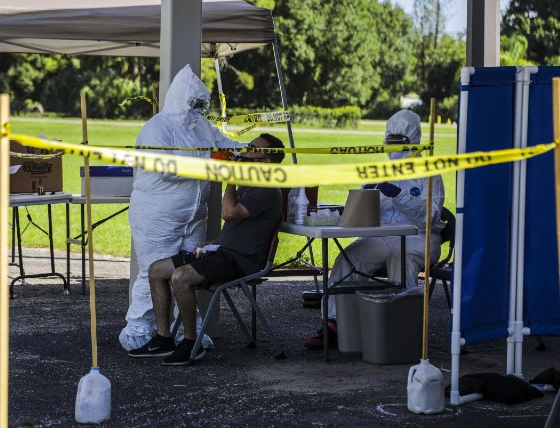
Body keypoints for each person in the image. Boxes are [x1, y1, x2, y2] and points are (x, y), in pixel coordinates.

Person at [119, 64, 248, 352]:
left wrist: (249, 150)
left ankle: (188, 334)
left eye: (202, 105)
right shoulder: (157, 128)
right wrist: (211, 163)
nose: (198, 110)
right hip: (156, 215)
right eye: (194, 104)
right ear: (179, 99)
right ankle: (141, 331)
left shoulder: (201, 126)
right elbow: (165, 169)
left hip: (193, 215)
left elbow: (223, 144)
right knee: (153, 272)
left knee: (185, 273)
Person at [128, 133, 285, 365]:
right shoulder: (250, 186)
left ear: (267, 162)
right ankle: (164, 338)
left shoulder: (267, 189)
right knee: (156, 270)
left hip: (242, 261)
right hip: (223, 253)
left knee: (181, 277)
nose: (246, 151)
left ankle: (192, 342)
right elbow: (237, 230)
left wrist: (231, 177)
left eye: (253, 149)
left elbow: (228, 213)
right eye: (248, 146)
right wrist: (211, 243)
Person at [304, 109, 445, 349]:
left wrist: (398, 195)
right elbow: (365, 215)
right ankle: (335, 323)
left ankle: (405, 327)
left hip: (419, 237)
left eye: (398, 142)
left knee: (399, 260)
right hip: (382, 235)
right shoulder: (381, 171)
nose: (392, 147)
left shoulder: (429, 173)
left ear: (412, 141)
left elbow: (429, 218)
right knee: (348, 259)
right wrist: (366, 194)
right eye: (389, 141)